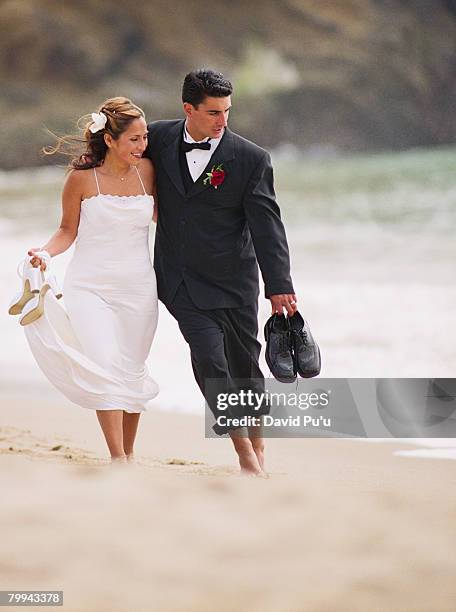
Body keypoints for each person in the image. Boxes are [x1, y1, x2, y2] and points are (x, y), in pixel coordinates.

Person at [145, 69, 297, 476]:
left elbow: (268, 225)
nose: (222, 120)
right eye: (213, 112)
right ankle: (244, 454)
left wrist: (279, 286)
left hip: (234, 281)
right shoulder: (157, 138)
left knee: (245, 364)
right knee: (211, 361)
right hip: (179, 281)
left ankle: (258, 443)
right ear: (188, 108)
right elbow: (116, 149)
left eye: (227, 111)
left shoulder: (250, 158)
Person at [24, 97, 158, 463]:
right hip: (90, 288)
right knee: (104, 367)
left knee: (132, 370)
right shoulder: (80, 180)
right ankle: (117, 456)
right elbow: (67, 231)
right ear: (110, 140)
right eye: (133, 139)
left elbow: (171, 224)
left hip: (139, 289)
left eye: (144, 138)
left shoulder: (149, 172)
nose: (142, 145)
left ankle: (129, 453)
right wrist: (45, 254)